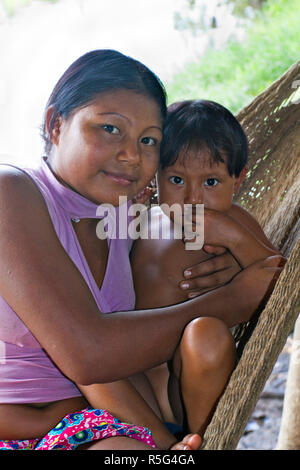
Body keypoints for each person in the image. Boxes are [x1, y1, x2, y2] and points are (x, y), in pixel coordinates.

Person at [0, 51, 283, 451]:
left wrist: (231, 250)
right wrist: (232, 299)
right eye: (110, 129)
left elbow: (269, 272)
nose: (132, 155)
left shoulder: (128, 213)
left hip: (107, 425)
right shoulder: (10, 192)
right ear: (55, 125)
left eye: (148, 140)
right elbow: (90, 355)